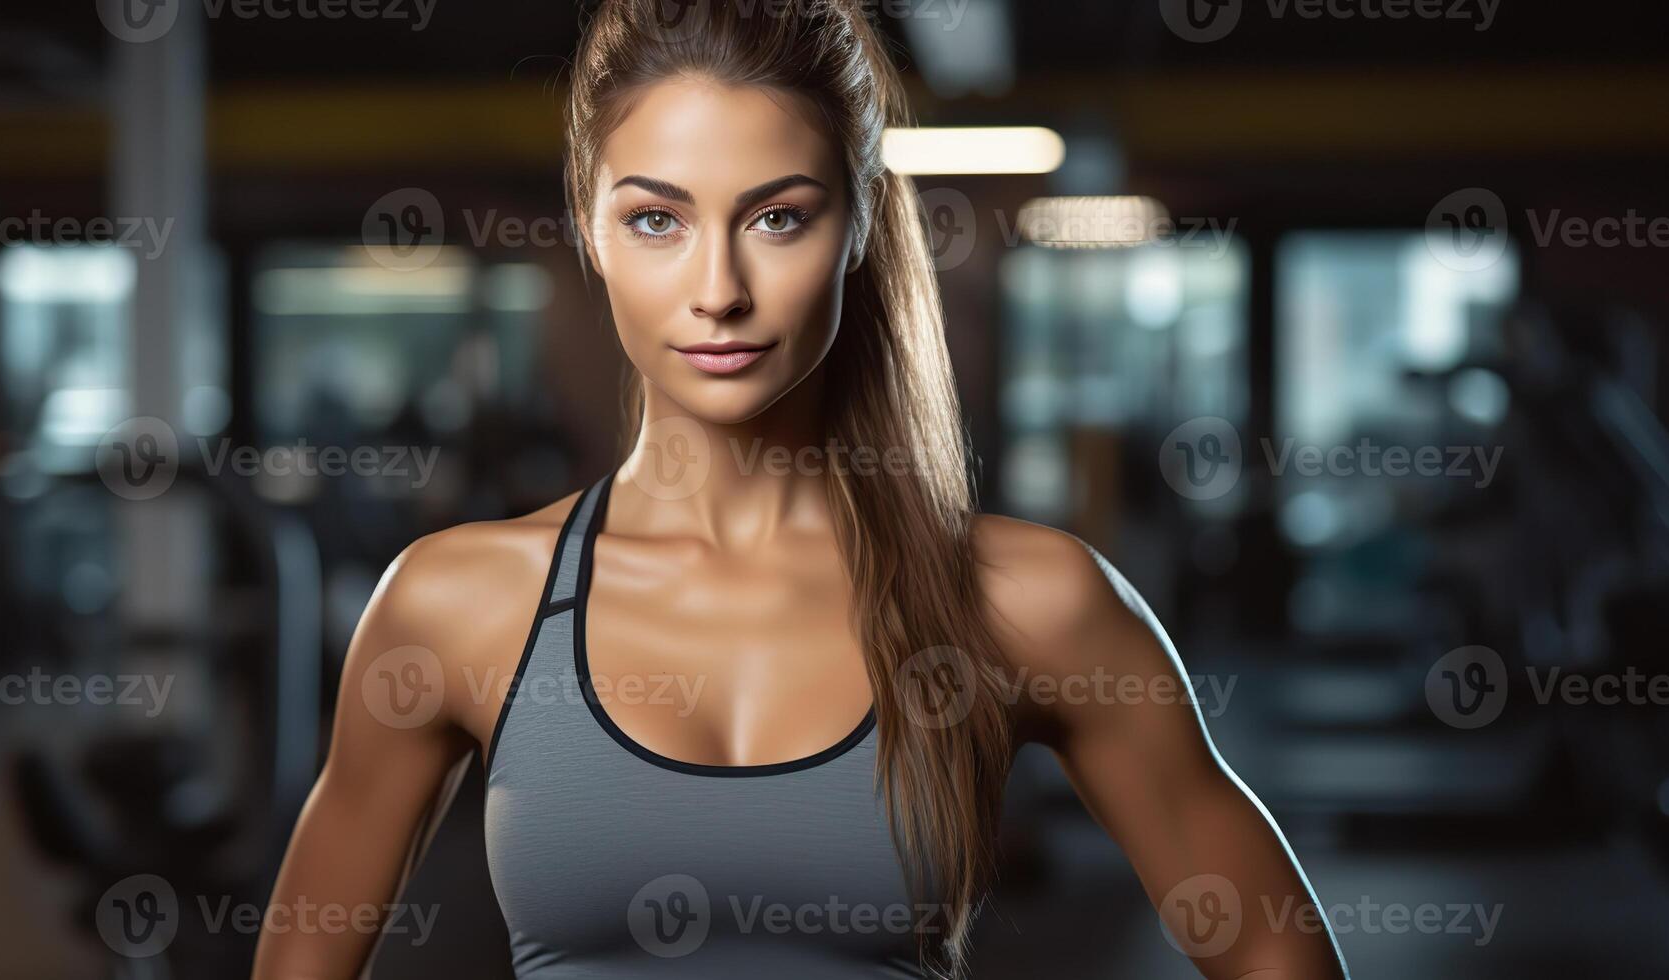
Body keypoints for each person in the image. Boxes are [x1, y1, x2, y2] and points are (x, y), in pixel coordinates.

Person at [254, 1, 1349, 977]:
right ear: (591, 229)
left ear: (862, 222)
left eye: (777, 216)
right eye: (656, 220)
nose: (718, 289)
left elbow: (1264, 938)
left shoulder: (1024, 600)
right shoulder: (457, 604)